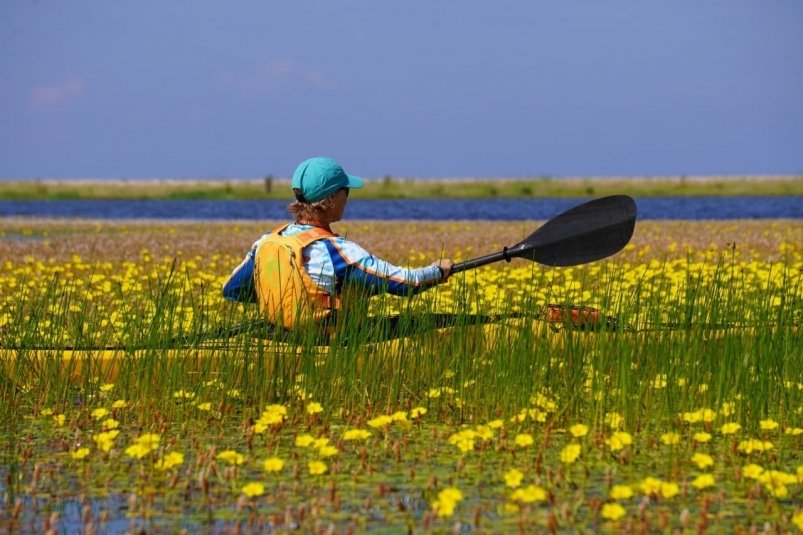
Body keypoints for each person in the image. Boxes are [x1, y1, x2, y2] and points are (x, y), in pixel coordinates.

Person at [223, 157, 453, 331]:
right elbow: (406, 284)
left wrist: (285, 299)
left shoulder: (266, 243)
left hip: (279, 331)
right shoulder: (337, 251)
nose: (348, 197)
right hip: (327, 338)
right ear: (331, 199)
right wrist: (438, 271)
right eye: (346, 191)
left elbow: (232, 290)